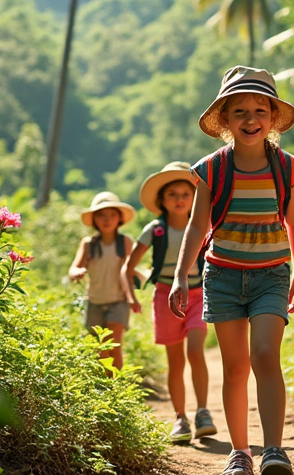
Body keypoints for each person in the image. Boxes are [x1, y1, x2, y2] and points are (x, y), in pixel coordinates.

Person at [169, 66, 294, 475]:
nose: (251, 120)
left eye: (260, 110)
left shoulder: (288, 168)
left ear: (272, 118)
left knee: (265, 354)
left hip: (271, 276)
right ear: (225, 121)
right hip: (223, 276)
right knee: (235, 367)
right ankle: (240, 453)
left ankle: (274, 450)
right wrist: (180, 276)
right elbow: (198, 225)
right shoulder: (210, 170)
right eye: (240, 112)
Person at [122, 162, 217, 444]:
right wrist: (132, 295)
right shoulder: (156, 230)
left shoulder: (204, 227)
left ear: (196, 197)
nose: (179, 199)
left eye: (185, 193)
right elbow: (128, 267)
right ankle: (180, 418)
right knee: (175, 362)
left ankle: (202, 412)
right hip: (165, 296)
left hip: (198, 294)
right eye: (172, 194)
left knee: (196, 350)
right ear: (162, 200)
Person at [68, 191, 137, 371]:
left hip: (118, 301)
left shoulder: (125, 242)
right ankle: (106, 388)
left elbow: (129, 272)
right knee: (100, 349)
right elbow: (73, 267)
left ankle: (116, 388)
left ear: (119, 218)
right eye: (102, 215)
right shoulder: (88, 244)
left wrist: (132, 299)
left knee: (113, 345)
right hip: (95, 302)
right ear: (95, 220)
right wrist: (78, 271)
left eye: (112, 215)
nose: (107, 220)